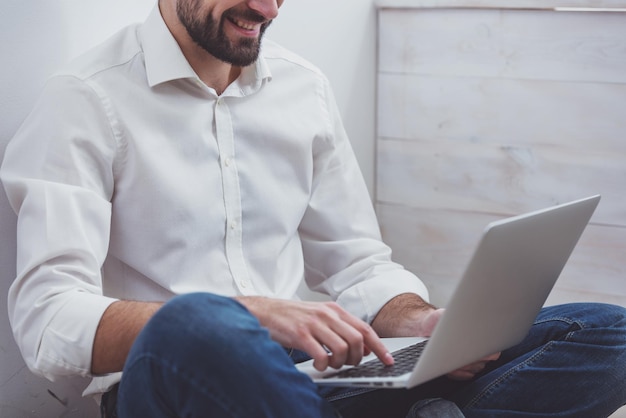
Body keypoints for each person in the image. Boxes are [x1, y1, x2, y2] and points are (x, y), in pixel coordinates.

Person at [2, 0, 625, 417]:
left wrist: (420, 323)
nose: (269, 10)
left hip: (312, 379)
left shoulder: (303, 88)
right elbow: (46, 318)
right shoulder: (84, 100)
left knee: (605, 331)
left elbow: (356, 264)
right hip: (186, 382)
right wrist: (246, 315)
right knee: (200, 324)